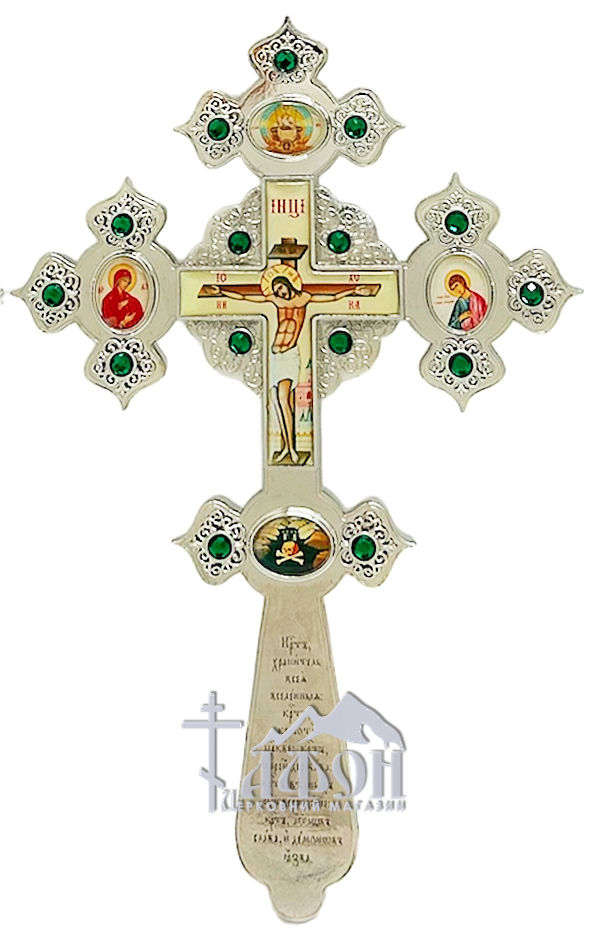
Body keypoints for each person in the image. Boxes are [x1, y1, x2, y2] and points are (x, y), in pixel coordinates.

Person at [205, 274, 372, 464]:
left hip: (290, 355)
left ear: (288, 284)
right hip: (275, 355)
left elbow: (332, 297)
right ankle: (285, 447)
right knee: (275, 401)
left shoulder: (304, 298)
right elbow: (245, 297)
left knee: (284, 399)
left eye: (280, 288)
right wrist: (222, 291)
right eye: (276, 290)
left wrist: (353, 290)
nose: (279, 293)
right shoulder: (276, 300)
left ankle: (292, 449)